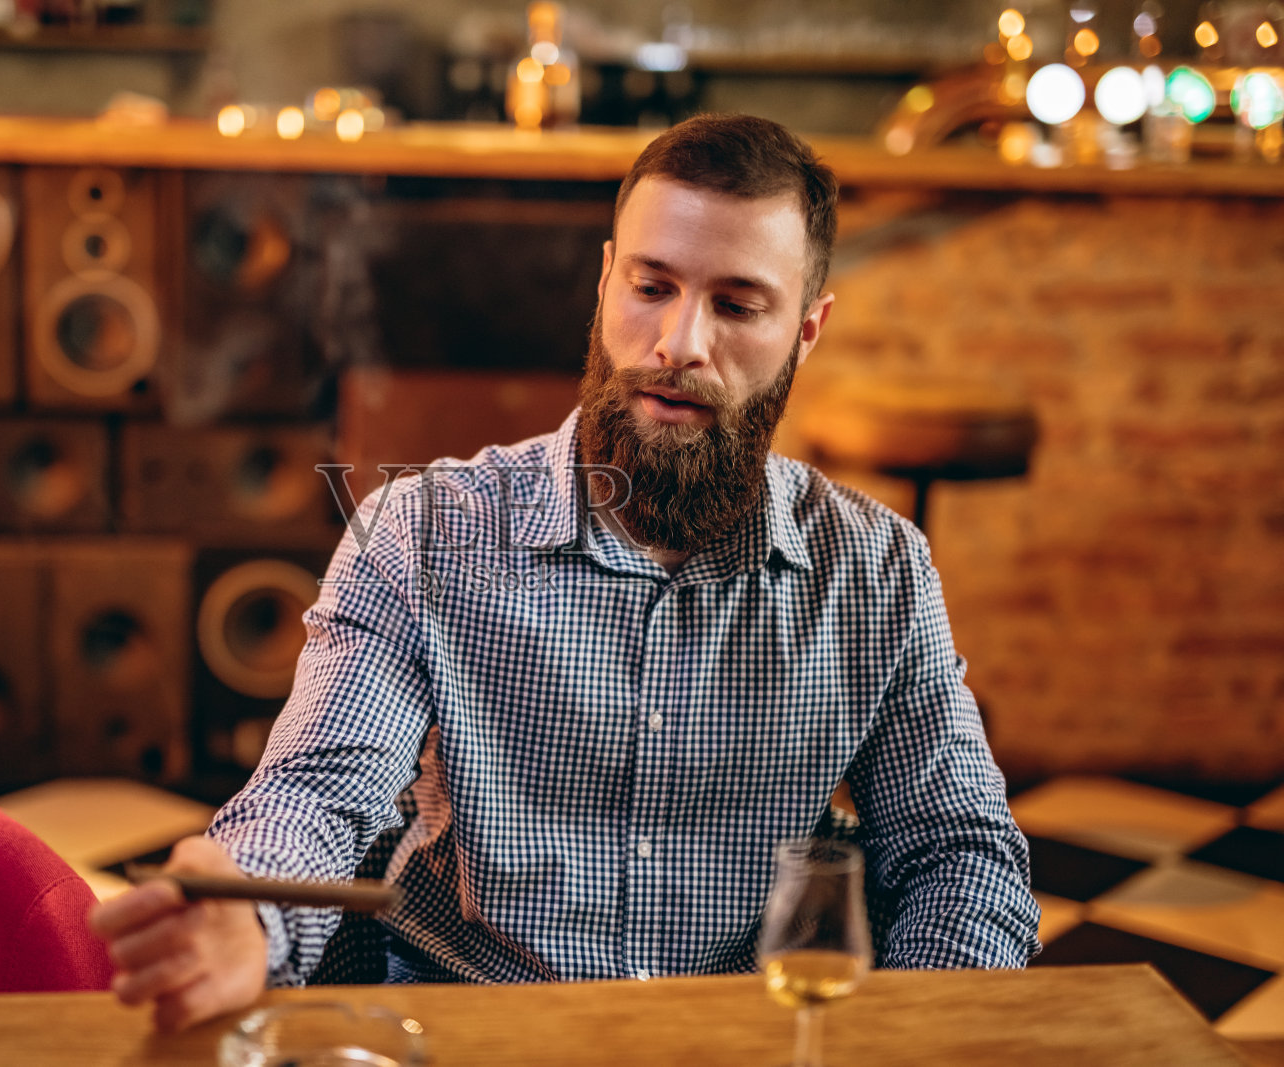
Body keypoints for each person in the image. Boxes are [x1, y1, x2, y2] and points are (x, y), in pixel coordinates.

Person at [91, 112, 1042, 1031]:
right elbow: (316, 795)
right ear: (604, 284)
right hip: (468, 1022)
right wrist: (244, 917)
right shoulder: (418, 531)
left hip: (739, 1035)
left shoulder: (876, 572)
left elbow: (960, 853)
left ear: (807, 328)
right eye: (652, 287)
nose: (680, 344)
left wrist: (908, 1031)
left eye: (739, 305)